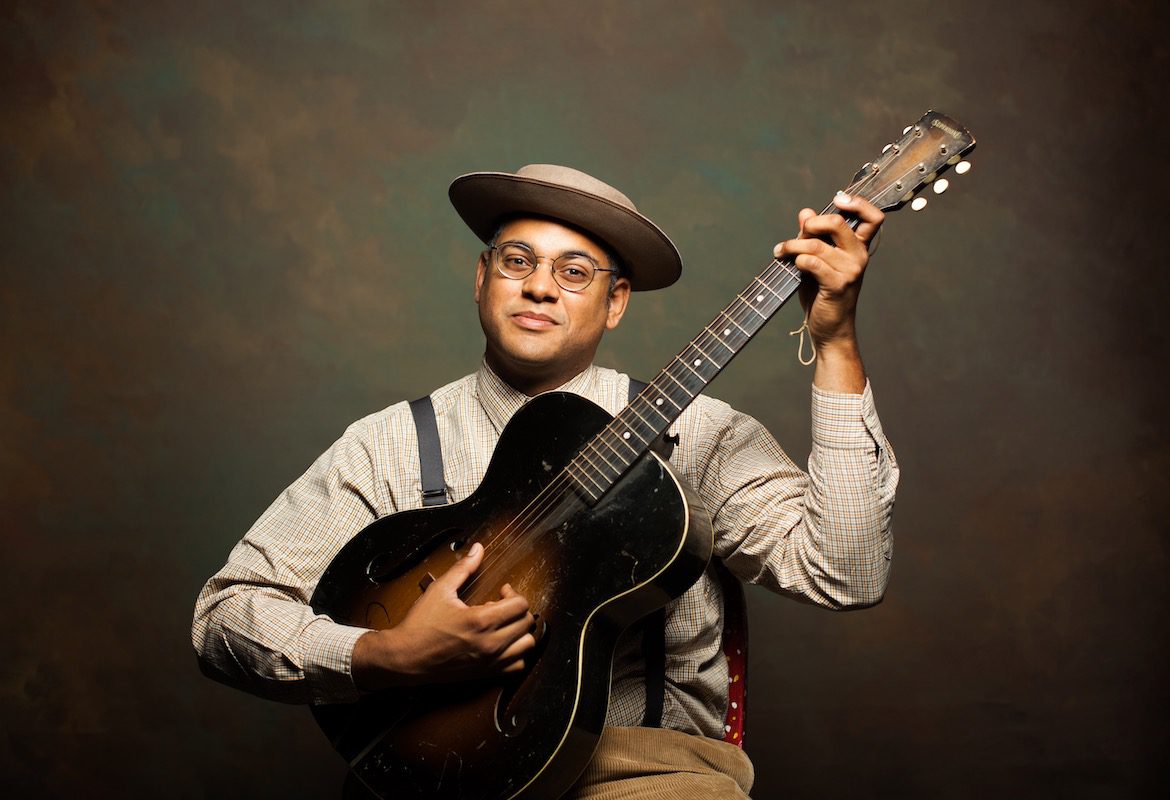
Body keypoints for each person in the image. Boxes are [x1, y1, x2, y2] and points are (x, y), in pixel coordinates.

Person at [192, 164, 898, 798]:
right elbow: (225, 616)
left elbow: (847, 571)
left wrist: (834, 343)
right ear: (481, 277)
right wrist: (383, 654)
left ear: (616, 302)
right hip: (423, 783)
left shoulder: (702, 433)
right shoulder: (390, 444)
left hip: (644, 775)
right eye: (518, 260)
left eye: (574, 271)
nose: (538, 285)